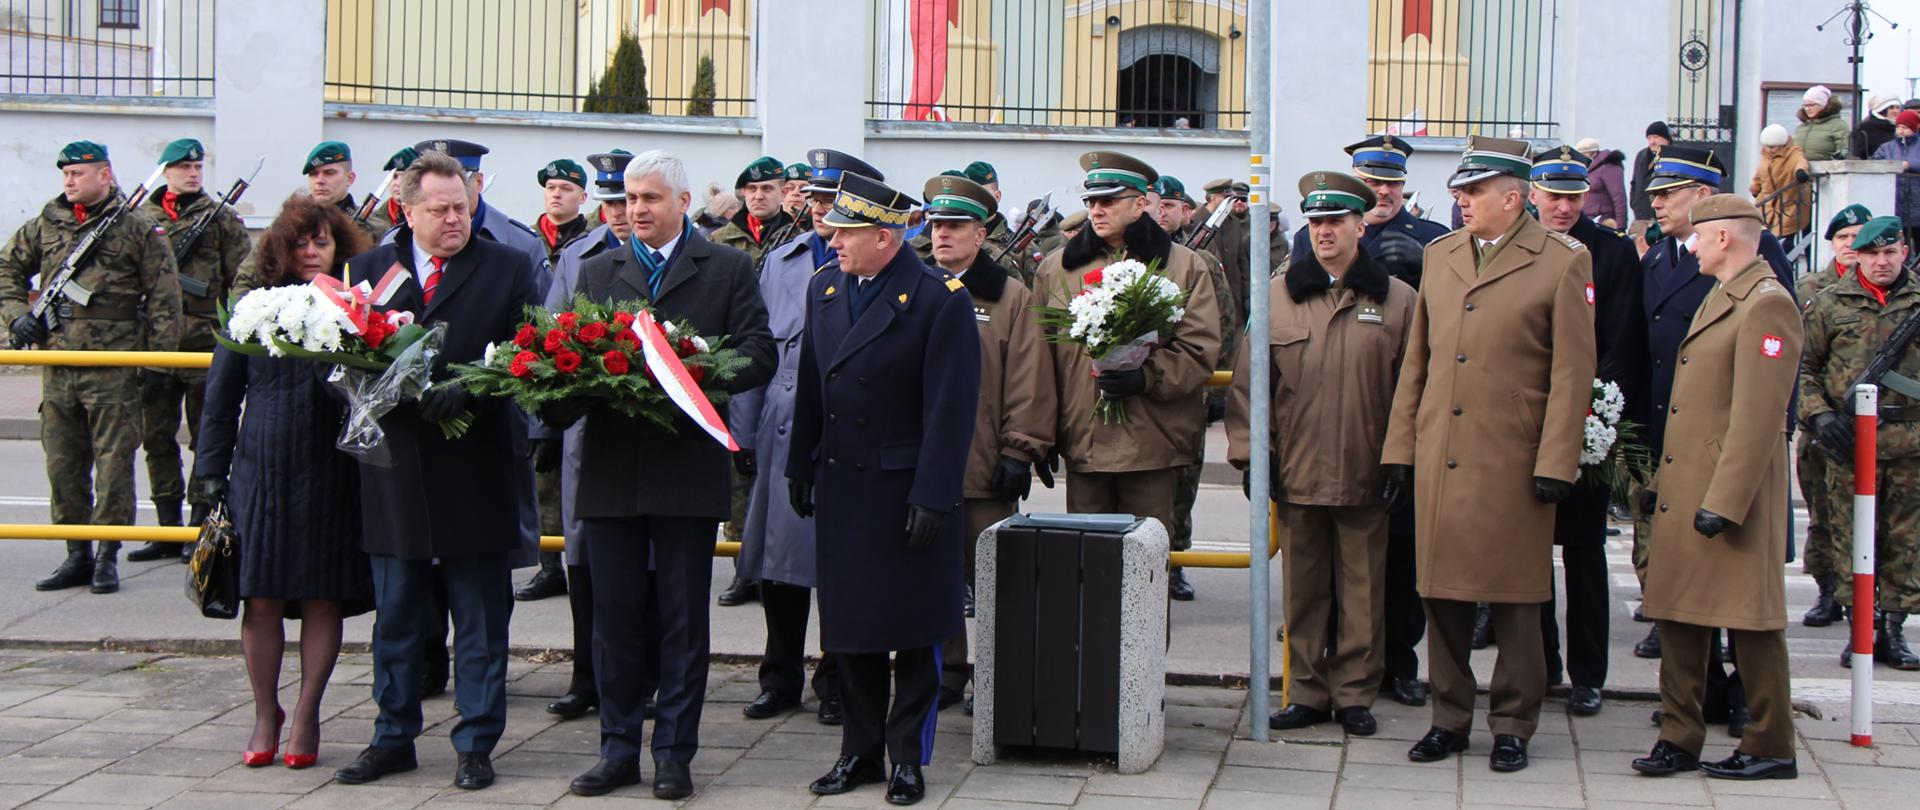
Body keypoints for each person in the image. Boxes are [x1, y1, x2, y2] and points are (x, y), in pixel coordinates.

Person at [551, 150, 775, 800]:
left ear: (681, 201)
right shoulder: (598, 269)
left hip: (686, 467)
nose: (635, 210)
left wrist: (697, 373)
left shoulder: (727, 267)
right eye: (626, 199)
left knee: (683, 621)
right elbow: (570, 354)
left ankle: (674, 752)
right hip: (613, 471)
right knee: (613, 621)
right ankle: (618, 749)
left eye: (649, 198)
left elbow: (760, 350)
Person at [1382, 136, 1596, 773]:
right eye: (1459, 191)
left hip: (1512, 458)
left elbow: (1572, 372)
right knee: (1441, 594)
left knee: (1514, 598)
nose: (1461, 201)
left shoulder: (1560, 262)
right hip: (1442, 452)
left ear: (1513, 196)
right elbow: (1416, 361)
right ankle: (1450, 716)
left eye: (1473, 191)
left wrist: (1558, 460)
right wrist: (1400, 447)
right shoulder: (1442, 255)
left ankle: (1512, 722)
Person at [329, 150, 539, 793]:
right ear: (407, 209)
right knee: (397, 616)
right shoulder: (369, 269)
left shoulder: (506, 265)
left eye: (464, 205)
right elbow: (338, 355)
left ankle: (476, 740)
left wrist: (473, 390)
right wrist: (376, 395)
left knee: (479, 616)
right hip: (396, 469)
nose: (456, 218)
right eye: (441, 208)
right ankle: (392, 736)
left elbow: (527, 351)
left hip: (476, 466)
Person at [787, 171, 980, 806]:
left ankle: (907, 759)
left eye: (845, 233)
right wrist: (799, 464)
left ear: (885, 235)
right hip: (844, 482)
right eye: (832, 231)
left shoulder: (937, 298)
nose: (832, 241)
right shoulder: (824, 289)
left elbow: (951, 410)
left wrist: (934, 494)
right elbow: (813, 387)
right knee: (853, 630)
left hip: (905, 489)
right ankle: (859, 751)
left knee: (913, 628)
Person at [1228, 171, 1414, 736]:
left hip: (1366, 469)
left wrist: (1401, 459)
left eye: (1336, 220)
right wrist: (1253, 457)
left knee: (1363, 591)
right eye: (1316, 221)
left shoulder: (1398, 299)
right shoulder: (1278, 294)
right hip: (1298, 469)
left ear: (1361, 225)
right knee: (1304, 591)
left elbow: (1414, 386)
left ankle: (1355, 693)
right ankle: (1306, 691)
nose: (1325, 230)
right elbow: (1248, 386)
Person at [195, 193, 373, 770]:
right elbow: (219, 405)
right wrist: (208, 479)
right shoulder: (252, 308)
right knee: (262, 598)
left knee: (323, 596)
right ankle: (265, 709)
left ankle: (306, 713)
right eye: (302, 242)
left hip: (329, 471)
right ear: (281, 248)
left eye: (323, 241)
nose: (313, 251)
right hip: (261, 471)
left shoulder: (355, 310)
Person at [1632, 195, 1803, 780]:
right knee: (1679, 615)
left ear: (1724, 237)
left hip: (1732, 496)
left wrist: (1724, 504)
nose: (1693, 246)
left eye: (1700, 236)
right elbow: (1695, 408)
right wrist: (1661, 482)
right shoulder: (1723, 295)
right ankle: (1680, 736)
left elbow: (1759, 420)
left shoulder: (1766, 305)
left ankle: (1770, 743)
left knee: (1749, 623)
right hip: (1690, 486)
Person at [731, 149, 877, 727]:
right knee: (778, 564)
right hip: (781, 424)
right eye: (813, 199)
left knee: (842, 561)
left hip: (845, 427)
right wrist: (741, 435)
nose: (820, 211)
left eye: (831, 200)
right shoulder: (781, 260)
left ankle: (838, 677)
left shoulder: (868, 262)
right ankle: (780, 675)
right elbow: (755, 349)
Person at [1035, 152, 1222, 600]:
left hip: (1152, 442)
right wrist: (1038, 435)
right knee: (1087, 576)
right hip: (1084, 440)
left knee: (1145, 580)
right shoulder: (1056, 269)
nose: (1096, 209)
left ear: (1140, 206)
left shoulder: (1183, 266)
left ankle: (1143, 670)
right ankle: (1091, 669)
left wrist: (1147, 378)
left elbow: (1200, 349)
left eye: (1109, 201)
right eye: (1091, 200)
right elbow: (1039, 361)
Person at [2, 141, 181, 595]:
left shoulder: (137, 227)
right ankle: (76, 553)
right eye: (64, 174)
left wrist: (158, 365)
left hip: (115, 366)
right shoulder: (46, 223)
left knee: (113, 466)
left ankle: (106, 554)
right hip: (59, 363)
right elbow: (6, 268)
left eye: (78, 173)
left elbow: (164, 298)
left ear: (105, 175)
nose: (68, 181)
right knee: (63, 464)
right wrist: (14, 316)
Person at [922, 172, 1056, 708]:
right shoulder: (915, 284)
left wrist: (1020, 449)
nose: (942, 235)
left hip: (984, 463)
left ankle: (996, 673)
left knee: (997, 580)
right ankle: (946, 669)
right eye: (936, 225)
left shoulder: (1010, 297)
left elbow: (1030, 377)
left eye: (955, 226)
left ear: (981, 235)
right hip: (925, 464)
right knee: (934, 578)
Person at [1528, 146, 1651, 717]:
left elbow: (1623, 338)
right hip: (1527, 422)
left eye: (1573, 197)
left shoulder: (1613, 252)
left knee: (1583, 551)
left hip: (1589, 424)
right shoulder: (1521, 248)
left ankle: (1588, 674)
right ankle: (1541, 663)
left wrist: (1599, 413)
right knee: (1529, 555)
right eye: (1553, 196)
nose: (1563, 207)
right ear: (1532, 194)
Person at [538, 149, 643, 721]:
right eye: (611, 202)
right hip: (587, 430)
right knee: (583, 557)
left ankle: (641, 676)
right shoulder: (578, 257)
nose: (620, 213)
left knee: (644, 561)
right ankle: (586, 674)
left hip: (650, 429)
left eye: (628, 201)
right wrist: (544, 430)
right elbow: (548, 344)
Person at [1800, 217, 1920, 672]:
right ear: (1859, 257)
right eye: (1873, 254)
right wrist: (1820, 414)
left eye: (1891, 253)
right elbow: (1804, 368)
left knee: (1906, 541)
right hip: (1848, 441)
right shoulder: (1829, 304)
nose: (1882, 261)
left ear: (1904, 253)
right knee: (1852, 537)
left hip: (1909, 441)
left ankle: (1894, 628)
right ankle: (1860, 629)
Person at [127, 138, 250, 564]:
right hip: (156, 346)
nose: (193, 173)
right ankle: (166, 528)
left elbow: (242, 277)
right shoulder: (141, 219)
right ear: (165, 172)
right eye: (183, 167)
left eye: (198, 166)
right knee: (156, 438)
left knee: (205, 440)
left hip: (205, 344)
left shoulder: (221, 219)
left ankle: (199, 527)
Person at [1149, 174, 1237, 602]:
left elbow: (1222, 321)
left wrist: (1218, 388)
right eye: (1157, 205)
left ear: (1187, 211)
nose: (1163, 212)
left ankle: (1176, 561)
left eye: (1171, 206)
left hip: (1190, 390)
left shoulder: (1199, 259)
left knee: (1185, 480)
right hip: (1145, 391)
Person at [1796, 204, 1871, 627]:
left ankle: (1873, 606)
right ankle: (1828, 592)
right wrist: (1814, 414)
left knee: (1868, 521)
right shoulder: (1811, 287)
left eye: (1857, 237)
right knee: (1822, 515)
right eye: (1843, 238)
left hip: (1877, 429)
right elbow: (1800, 357)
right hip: (1822, 421)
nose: (1850, 245)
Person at [710, 155, 795, 265]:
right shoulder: (719, 239)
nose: (758, 196)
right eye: (752, 189)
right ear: (744, 192)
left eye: (767, 189)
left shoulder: (798, 239)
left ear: (783, 193)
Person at [1750, 125, 1812, 242]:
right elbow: (1760, 174)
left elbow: (1801, 163)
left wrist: (1801, 172)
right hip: (1767, 204)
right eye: (1766, 146)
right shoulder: (1766, 156)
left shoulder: (1793, 154)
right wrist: (1755, 187)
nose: (1769, 150)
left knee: (1785, 239)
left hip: (1789, 202)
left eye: (1772, 147)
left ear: (1782, 144)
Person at [1871, 110, 1920, 245]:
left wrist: (1910, 165)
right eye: (1898, 127)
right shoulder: (1886, 147)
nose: (1901, 131)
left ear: (1914, 128)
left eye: (1905, 127)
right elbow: (1874, 164)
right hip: (1894, 203)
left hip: (1917, 205)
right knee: (1896, 244)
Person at [533, 158, 592, 267]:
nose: (556, 194)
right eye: (551, 187)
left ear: (582, 197)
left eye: (566, 189)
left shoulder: (594, 241)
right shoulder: (527, 238)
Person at [1576, 137, 1629, 230]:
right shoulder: (1585, 169)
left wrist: (1621, 227)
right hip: (1587, 220)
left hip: (1604, 223)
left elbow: (1619, 197)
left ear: (1593, 153)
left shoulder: (1609, 166)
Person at [1794, 85, 1852, 162]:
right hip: (1800, 171)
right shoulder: (1802, 126)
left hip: (1825, 171)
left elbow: (1844, 148)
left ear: (1823, 105)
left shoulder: (1837, 125)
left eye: (1811, 105)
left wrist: (1840, 156)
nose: (1807, 109)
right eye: (1805, 105)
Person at [1630, 121, 1671, 224]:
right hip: (1641, 215)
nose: (1652, 141)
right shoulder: (1642, 155)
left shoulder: (1673, 156)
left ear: (1666, 138)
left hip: (1661, 215)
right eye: (1649, 138)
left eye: (1656, 137)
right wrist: (1634, 203)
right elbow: (1634, 182)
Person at [1853, 94, 1903, 159]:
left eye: (1897, 107)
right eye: (1891, 108)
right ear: (1882, 109)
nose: (1895, 111)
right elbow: (1859, 153)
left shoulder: (1900, 127)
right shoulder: (1866, 127)